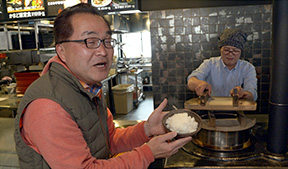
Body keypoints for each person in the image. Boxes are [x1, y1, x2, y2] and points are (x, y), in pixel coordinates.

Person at [14, 3, 192, 169]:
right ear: (62, 51)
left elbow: (109, 140)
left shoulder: (87, 87)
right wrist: (148, 153)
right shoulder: (48, 106)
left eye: (107, 41)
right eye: (90, 41)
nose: (103, 51)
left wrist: (145, 130)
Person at [187, 29, 257, 101]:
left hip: (236, 110)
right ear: (220, 49)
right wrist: (198, 84)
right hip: (210, 109)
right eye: (226, 50)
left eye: (235, 51)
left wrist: (243, 93)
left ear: (240, 52)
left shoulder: (248, 68)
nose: (230, 54)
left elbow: (252, 94)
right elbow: (191, 80)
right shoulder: (210, 64)